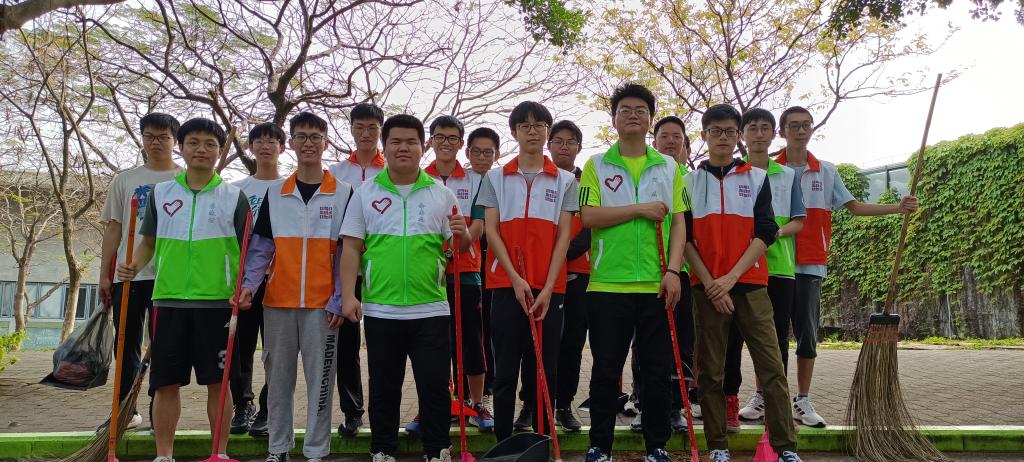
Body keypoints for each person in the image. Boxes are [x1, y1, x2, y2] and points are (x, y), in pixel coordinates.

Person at [774, 106, 918, 427]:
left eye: (806, 125)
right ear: (782, 132)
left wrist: (898, 208)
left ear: (812, 130)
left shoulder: (826, 171)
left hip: (810, 263)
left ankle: (802, 399)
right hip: (774, 263)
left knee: (807, 336)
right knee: (771, 337)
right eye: (794, 126)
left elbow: (854, 207)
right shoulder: (769, 170)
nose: (801, 131)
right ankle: (766, 396)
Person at [337, 114, 469, 462]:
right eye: (395, 141)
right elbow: (351, 247)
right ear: (385, 146)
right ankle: (382, 449)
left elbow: (458, 248)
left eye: (411, 141)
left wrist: (464, 233)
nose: (403, 148)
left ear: (423, 147)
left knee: (434, 386)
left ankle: (438, 450)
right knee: (384, 385)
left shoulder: (441, 194)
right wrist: (348, 295)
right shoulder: (365, 193)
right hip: (382, 309)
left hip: (431, 309)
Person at [117, 118, 250, 462]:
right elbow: (148, 243)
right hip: (168, 301)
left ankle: (219, 453)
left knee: (219, 384)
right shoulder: (161, 194)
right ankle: (164, 455)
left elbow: (249, 249)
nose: (201, 149)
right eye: (193, 142)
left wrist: (245, 286)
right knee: (165, 383)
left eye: (210, 143)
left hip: (218, 303)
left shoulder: (234, 197)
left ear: (219, 151)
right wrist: (133, 264)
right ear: (182, 146)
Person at [683, 104, 801, 462]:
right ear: (703, 136)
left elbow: (766, 231)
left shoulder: (757, 179)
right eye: (715, 131)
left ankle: (785, 448)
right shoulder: (688, 182)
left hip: (751, 284)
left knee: (772, 368)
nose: (723, 137)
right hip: (705, 289)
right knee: (711, 373)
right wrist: (711, 283)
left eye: (729, 131)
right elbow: (683, 238)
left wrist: (731, 278)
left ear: (738, 137)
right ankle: (718, 446)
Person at [578, 83, 686, 462]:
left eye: (641, 109)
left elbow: (678, 224)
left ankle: (657, 446)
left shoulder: (669, 167)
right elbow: (589, 216)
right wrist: (640, 209)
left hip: (657, 285)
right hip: (608, 285)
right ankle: (599, 446)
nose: (633, 115)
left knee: (656, 371)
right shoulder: (596, 165)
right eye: (625, 109)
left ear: (650, 119)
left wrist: (674, 271)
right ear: (614, 119)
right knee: (606, 370)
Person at [237, 112, 354, 462]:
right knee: (278, 380)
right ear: (291, 143)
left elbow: (347, 252)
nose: (308, 143)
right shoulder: (276, 193)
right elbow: (261, 248)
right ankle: (278, 449)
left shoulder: (344, 193)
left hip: (323, 306)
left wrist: (339, 298)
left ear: (326, 143)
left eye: (315, 136)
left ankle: (316, 451)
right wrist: (249, 285)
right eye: (301, 136)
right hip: (278, 303)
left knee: (321, 382)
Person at [477, 101, 577, 442]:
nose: (532, 131)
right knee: (505, 371)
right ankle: (504, 444)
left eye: (538, 125)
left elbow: (564, 236)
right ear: (514, 132)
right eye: (524, 126)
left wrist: (548, 286)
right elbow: (491, 232)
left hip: (550, 289)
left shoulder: (565, 180)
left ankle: (543, 441)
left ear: (547, 132)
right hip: (506, 285)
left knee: (545, 370)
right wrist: (516, 279)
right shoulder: (495, 177)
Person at [722, 109, 804, 430]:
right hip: (739, 269)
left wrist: (771, 234)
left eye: (765, 128)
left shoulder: (788, 175)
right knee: (731, 339)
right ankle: (730, 401)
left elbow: (799, 220)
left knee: (775, 341)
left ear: (773, 134)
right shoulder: (731, 173)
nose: (758, 134)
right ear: (742, 134)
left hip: (778, 269)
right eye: (752, 128)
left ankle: (774, 407)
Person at [99, 112, 181, 430]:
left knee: (164, 347)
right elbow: (113, 229)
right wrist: (105, 274)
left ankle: (158, 411)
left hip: (170, 277)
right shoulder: (125, 180)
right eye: (149, 136)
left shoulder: (185, 179)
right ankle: (125, 410)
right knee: (125, 344)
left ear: (175, 141)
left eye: (163, 136)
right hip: (129, 275)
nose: (155, 142)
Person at [420, 115, 494, 432]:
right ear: (431, 141)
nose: (446, 143)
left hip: (466, 272)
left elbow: (478, 224)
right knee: (434, 343)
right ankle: (438, 405)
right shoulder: (421, 177)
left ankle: (477, 404)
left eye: (452, 138)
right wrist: (442, 251)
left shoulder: (476, 180)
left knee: (472, 341)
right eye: (440, 137)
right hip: (429, 274)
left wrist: (458, 246)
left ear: (461, 143)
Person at [328, 102, 385, 436]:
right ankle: (353, 411)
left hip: (381, 268)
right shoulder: (335, 171)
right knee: (346, 344)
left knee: (383, 345)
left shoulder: (391, 170)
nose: (366, 134)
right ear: (351, 129)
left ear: (380, 131)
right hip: (344, 267)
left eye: (372, 128)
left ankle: (383, 410)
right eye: (359, 127)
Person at [230, 122, 285, 436]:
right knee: (241, 347)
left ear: (282, 147)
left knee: (276, 350)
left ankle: (267, 408)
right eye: (259, 141)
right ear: (250, 147)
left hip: (280, 280)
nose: (265, 146)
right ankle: (243, 405)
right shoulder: (236, 189)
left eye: (272, 141)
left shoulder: (290, 187)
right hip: (243, 280)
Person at [548, 120, 590, 432]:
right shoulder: (539, 179)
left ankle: (564, 404)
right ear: (549, 145)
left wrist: (562, 254)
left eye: (570, 141)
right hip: (542, 276)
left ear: (578, 147)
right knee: (540, 344)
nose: (564, 146)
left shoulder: (588, 182)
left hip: (578, 273)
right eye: (558, 141)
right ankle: (533, 404)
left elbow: (591, 226)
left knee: (572, 343)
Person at [466, 127, 499, 413]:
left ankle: (486, 393)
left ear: (496, 155)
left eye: (487, 152)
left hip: (496, 268)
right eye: (476, 151)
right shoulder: (461, 181)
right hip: (469, 268)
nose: (481, 157)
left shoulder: (501, 181)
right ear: (468, 152)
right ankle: (462, 393)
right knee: (467, 334)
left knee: (489, 333)